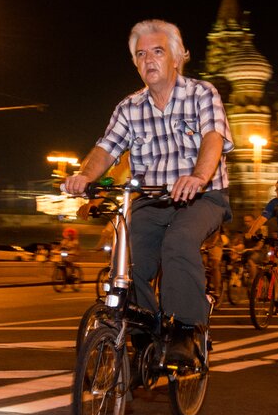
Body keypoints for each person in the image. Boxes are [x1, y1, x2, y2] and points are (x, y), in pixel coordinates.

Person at [64, 19, 234, 365]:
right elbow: (106, 149)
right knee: (128, 259)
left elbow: (213, 138)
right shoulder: (130, 107)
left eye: (157, 51)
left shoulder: (202, 94)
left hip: (202, 197)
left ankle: (186, 332)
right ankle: (145, 339)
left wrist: (199, 177)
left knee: (179, 241)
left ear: (177, 58)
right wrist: (83, 176)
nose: (148, 60)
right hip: (153, 200)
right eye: (140, 55)